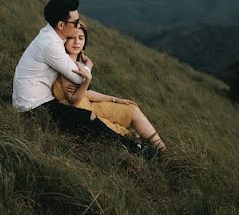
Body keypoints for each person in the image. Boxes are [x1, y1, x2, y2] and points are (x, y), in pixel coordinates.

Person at [12, 0, 141, 147]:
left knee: (85, 114)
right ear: (61, 25)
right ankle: (134, 149)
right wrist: (89, 66)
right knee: (87, 118)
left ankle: (130, 139)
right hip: (32, 108)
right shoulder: (51, 46)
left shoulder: (49, 34)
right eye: (75, 22)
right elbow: (80, 79)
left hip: (33, 100)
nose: (79, 25)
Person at [53, 23, 167, 154]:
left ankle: (161, 149)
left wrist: (115, 99)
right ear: (64, 39)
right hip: (80, 113)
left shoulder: (78, 62)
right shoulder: (65, 64)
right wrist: (87, 79)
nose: (77, 42)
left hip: (89, 105)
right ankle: (156, 152)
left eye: (81, 38)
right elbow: (74, 101)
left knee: (132, 109)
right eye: (72, 37)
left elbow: (86, 93)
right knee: (123, 133)